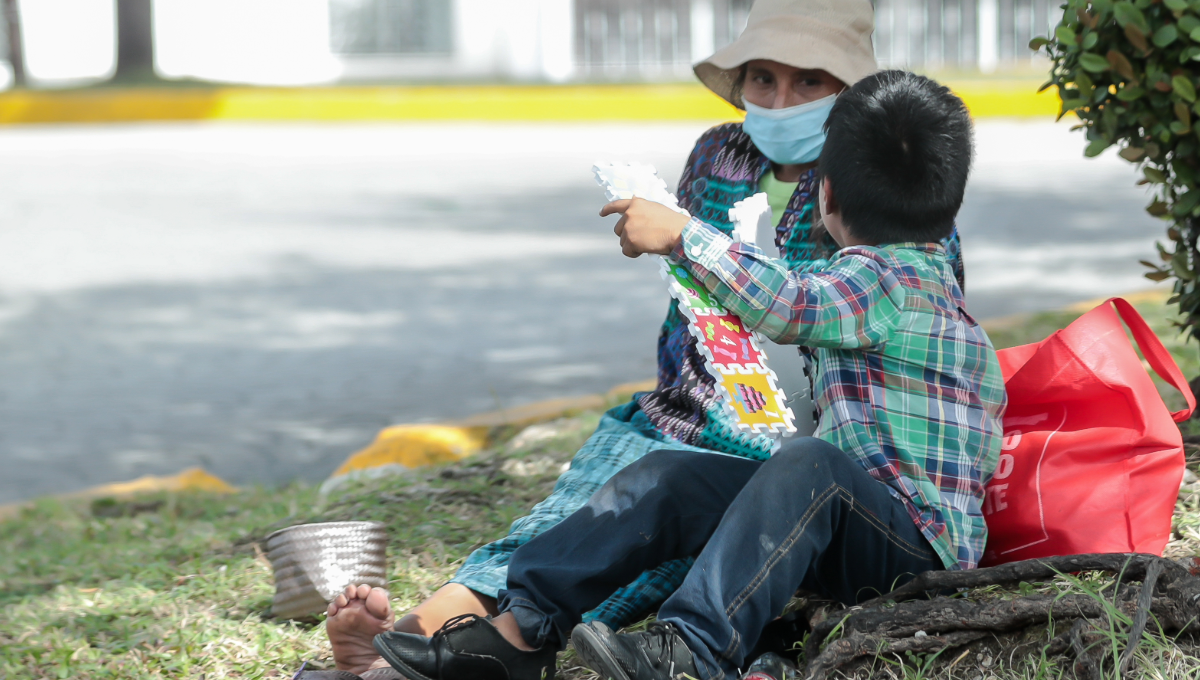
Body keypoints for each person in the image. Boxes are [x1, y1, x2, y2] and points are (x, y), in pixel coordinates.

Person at [321, 0, 966, 676]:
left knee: (724, 527)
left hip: (831, 471)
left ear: (852, 103)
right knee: (606, 510)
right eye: (762, 78)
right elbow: (695, 321)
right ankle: (466, 641)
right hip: (704, 419)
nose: (781, 100)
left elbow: (808, 311)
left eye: (810, 81)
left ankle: (688, 650)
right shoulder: (722, 155)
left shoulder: (898, 227)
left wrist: (685, 237)